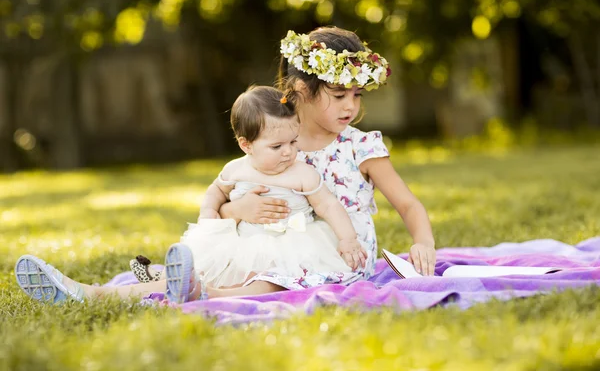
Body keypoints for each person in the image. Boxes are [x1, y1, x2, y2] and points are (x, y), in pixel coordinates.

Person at [14, 26, 437, 306]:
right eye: (340, 95)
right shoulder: (273, 140)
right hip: (264, 239)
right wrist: (238, 211)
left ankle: (195, 293)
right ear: (301, 89)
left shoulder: (361, 148)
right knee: (230, 262)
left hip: (338, 256)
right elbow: (223, 197)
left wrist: (422, 243)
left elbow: (409, 206)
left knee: (266, 282)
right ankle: (87, 291)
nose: (351, 106)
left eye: (358, 96)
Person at [14, 86, 367, 304]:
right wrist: (209, 217)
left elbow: (328, 205)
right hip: (244, 243)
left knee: (272, 286)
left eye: (293, 142)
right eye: (277, 145)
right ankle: (87, 291)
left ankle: (196, 293)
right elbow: (216, 191)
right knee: (211, 270)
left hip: (293, 246)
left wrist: (348, 239)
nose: (289, 152)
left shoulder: (302, 173)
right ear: (246, 144)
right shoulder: (236, 169)